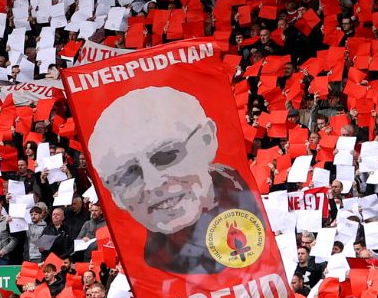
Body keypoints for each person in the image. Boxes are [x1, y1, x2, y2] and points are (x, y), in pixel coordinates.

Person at [85, 87, 269, 275]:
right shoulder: (148, 273)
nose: (153, 183)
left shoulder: (267, 212)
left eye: (166, 155)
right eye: (128, 174)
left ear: (207, 140)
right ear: (115, 196)